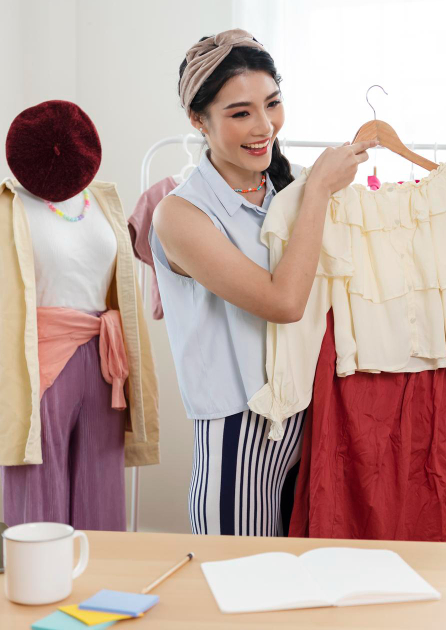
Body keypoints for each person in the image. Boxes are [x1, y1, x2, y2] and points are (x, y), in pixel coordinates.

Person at [151, 28, 377, 536]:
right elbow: (284, 302)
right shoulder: (181, 215)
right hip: (237, 434)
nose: (263, 126)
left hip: (308, 420)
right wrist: (317, 189)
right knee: (237, 602)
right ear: (197, 120)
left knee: (297, 599)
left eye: (272, 104)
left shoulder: (287, 186)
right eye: (239, 113)